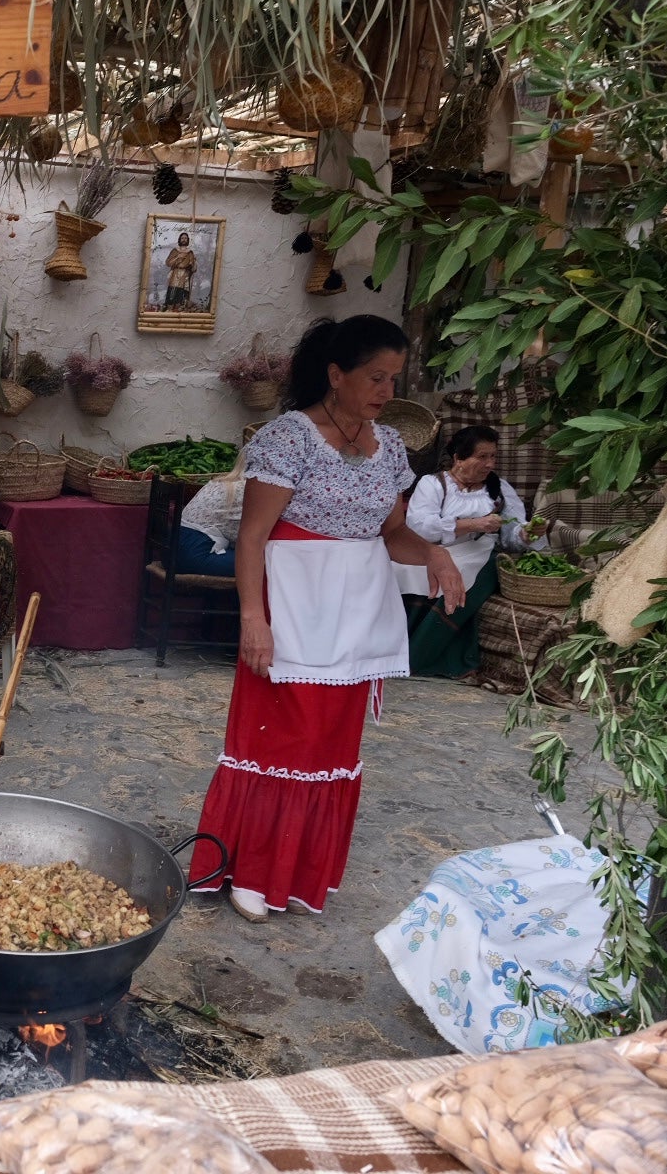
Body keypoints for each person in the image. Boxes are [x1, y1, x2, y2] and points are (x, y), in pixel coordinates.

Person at [187, 315, 466, 922]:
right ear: (336, 374)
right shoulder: (289, 438)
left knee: (330, 744)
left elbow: (393, 534)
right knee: (284, 737)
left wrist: (436, 553)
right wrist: (252, 620)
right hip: (293, 605)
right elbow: (253, 539)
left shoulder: (389, 445)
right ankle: (252, 868)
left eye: (394, 378)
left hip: (358, 613)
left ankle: (298, 870)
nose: (387, 391)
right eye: (375, 376)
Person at [397, 425, 549, 677]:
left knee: (463, 574)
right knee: (399, 570)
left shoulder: (499, 489)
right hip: (431, 551)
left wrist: (527, 533)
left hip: (476, 552)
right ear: (458, 458)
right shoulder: (433, 484)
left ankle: (418, 657)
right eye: (482, 457)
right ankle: (392, 650)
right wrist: (471, 524)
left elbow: (512, 536)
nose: (490, 464)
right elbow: (419, 527)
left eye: (493, 456)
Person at [175, 452, 246, 576]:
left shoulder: (218, 482)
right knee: (267, 563)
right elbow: (248, 536)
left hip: (173, 550)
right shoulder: (245, 489)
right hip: (197, 553)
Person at [164, 232, 196, 311]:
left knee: (181, 297)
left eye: (185, 238)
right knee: (172, 294)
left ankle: (178, 311)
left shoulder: (190, 252)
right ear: (179, 239)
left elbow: (193, 268)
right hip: (175, 275)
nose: (184, 240)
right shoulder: (175, 251)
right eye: (182, 238)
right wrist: (178, 257)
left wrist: (193, 263)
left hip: (185, 276)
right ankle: (169, 309)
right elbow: (168, 263)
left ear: (187, 240)